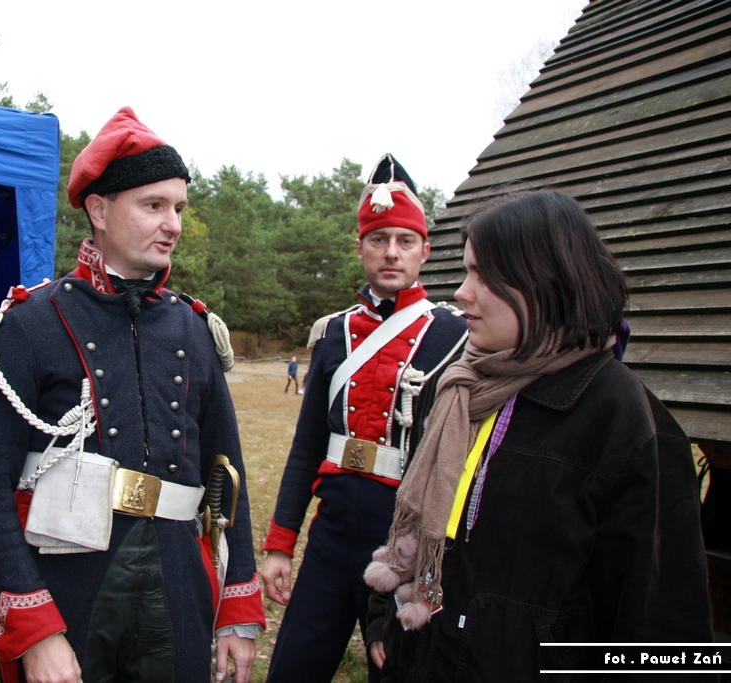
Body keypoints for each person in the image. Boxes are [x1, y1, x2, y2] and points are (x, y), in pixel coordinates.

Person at [0, 107, 265, 683]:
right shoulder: (30, 323)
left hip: (178, 582)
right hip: (68, 587)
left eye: (179, 208)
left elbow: (227, 473)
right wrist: (36, 629)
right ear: (98, 210)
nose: (172, 224)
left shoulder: (194, 327)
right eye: (154, 206)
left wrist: (237, 605)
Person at [365, 190, 714, 681]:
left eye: (483, 275)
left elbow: (663, 631)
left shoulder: (625, 423)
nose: (462, 292)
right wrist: (384, 617)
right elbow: (419, 522)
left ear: (546, 279)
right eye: (466, 272)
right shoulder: (456, 389)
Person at [261, 154, 468, 683]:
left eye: (405, 241)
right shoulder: (334, 333)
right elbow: (309, 443)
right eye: (378, 240)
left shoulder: (455, 334)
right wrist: (281, 542)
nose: (391, 252)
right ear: (360, 248)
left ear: (425, 250)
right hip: (332, 532)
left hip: (401, 539)